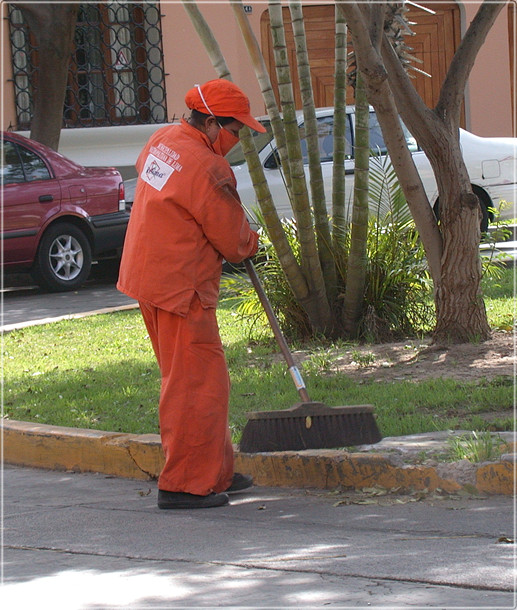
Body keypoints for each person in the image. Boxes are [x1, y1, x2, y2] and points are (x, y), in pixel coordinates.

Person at [117, 79, 264, 509]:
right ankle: (184, 484)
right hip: (182, 288)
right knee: (196, 387)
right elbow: (233, 241)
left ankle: (214, 471)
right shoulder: (209, 167)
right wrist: (251, 244)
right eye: (235, 130)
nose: (238, 139)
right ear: (213, 123)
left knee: (193, 379)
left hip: (148, 277)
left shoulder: (163, 140)